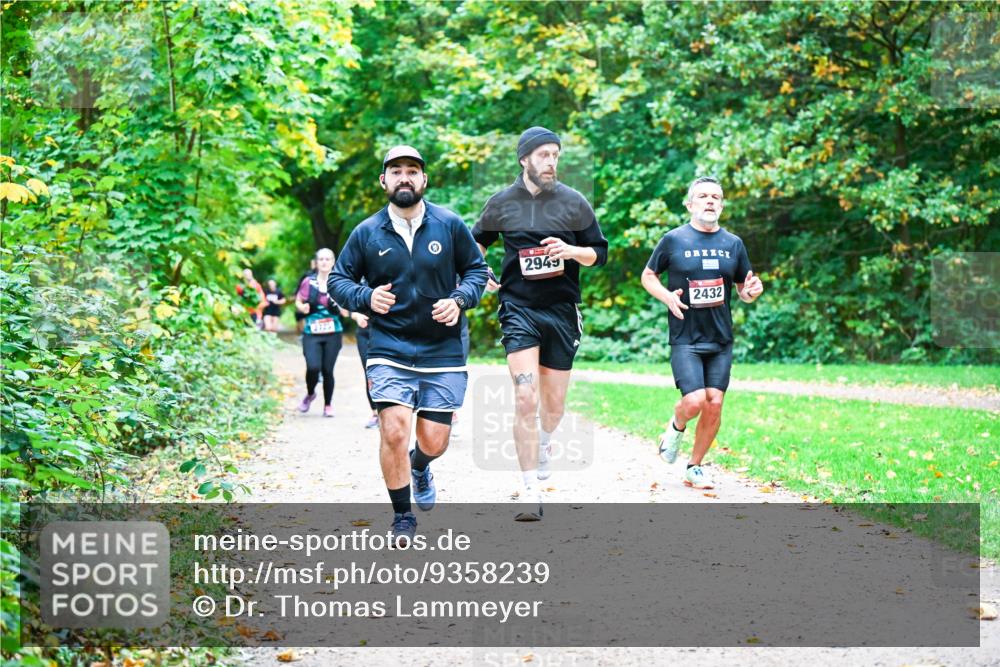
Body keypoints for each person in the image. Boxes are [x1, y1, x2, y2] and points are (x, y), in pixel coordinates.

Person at [329, 145, 487, 546]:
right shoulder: (367, 232)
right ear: (383, 181)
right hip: (389, 346)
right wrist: (365, 299)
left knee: (434, 441)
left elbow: (476, 270)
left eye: (412, 171)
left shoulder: (449, 224)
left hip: (443, 348)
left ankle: (420, 466)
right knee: (394, 431)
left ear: (424, 180)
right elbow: (338, 281)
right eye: (396, 171)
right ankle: (402, 516)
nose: (404, 177)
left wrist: (460, 300)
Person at [472, 127, 608, 520]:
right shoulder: (501, 203)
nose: (552, 162)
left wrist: (571, 251)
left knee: (553, 406)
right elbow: (473, 245)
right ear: (524, 158)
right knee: (525, 398)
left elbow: (599, 253)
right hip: (518, 309)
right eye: (544, 154)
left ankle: (545, 441)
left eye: (556, 155)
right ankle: (530, 488)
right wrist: (479, 271)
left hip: (562, 311)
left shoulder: (573, 202)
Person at [640, 176, 764, 489]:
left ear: (721, 205)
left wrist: (752, 291)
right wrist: (667, 296)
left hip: (721, 338)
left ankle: (694, 466)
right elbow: (649, 275)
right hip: (686, 337)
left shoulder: (732, 244)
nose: (710, 201)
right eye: (703, 196)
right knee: (694, 400)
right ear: (690, 204)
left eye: (715, 197)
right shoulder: (674, 239)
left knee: (715, 403)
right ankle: (675, 426)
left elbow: (743, 290)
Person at [295, 249, 349, 418]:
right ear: (316, 263)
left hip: (333, 332)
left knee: (327, 370)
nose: (324, 262)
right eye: (321, 259)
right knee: (313, 367)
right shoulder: (308, 282)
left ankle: (328, 405)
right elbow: (298, 300)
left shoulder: (341, 283)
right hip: (312, 331)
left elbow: (347, 312)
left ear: (333, 262)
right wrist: (302, 307)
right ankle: (310, 393)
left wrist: (338, 306)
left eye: (328, 259)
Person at [353, 280, 380, 429]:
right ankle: (375, 413)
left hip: (387, 330)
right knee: (369, 372)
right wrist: (356, 315)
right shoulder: (360, 273)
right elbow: (347, 301)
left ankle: (390, 412)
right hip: (365, 331)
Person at [295, 259, 317, 335]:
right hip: (306, 300)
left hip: (319, 301)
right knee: (301, 316)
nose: (314, 265)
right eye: (312, 263)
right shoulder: (306, 275)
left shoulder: (327, 274)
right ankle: (304, 333)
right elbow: (299, 286)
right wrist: (298, 298)